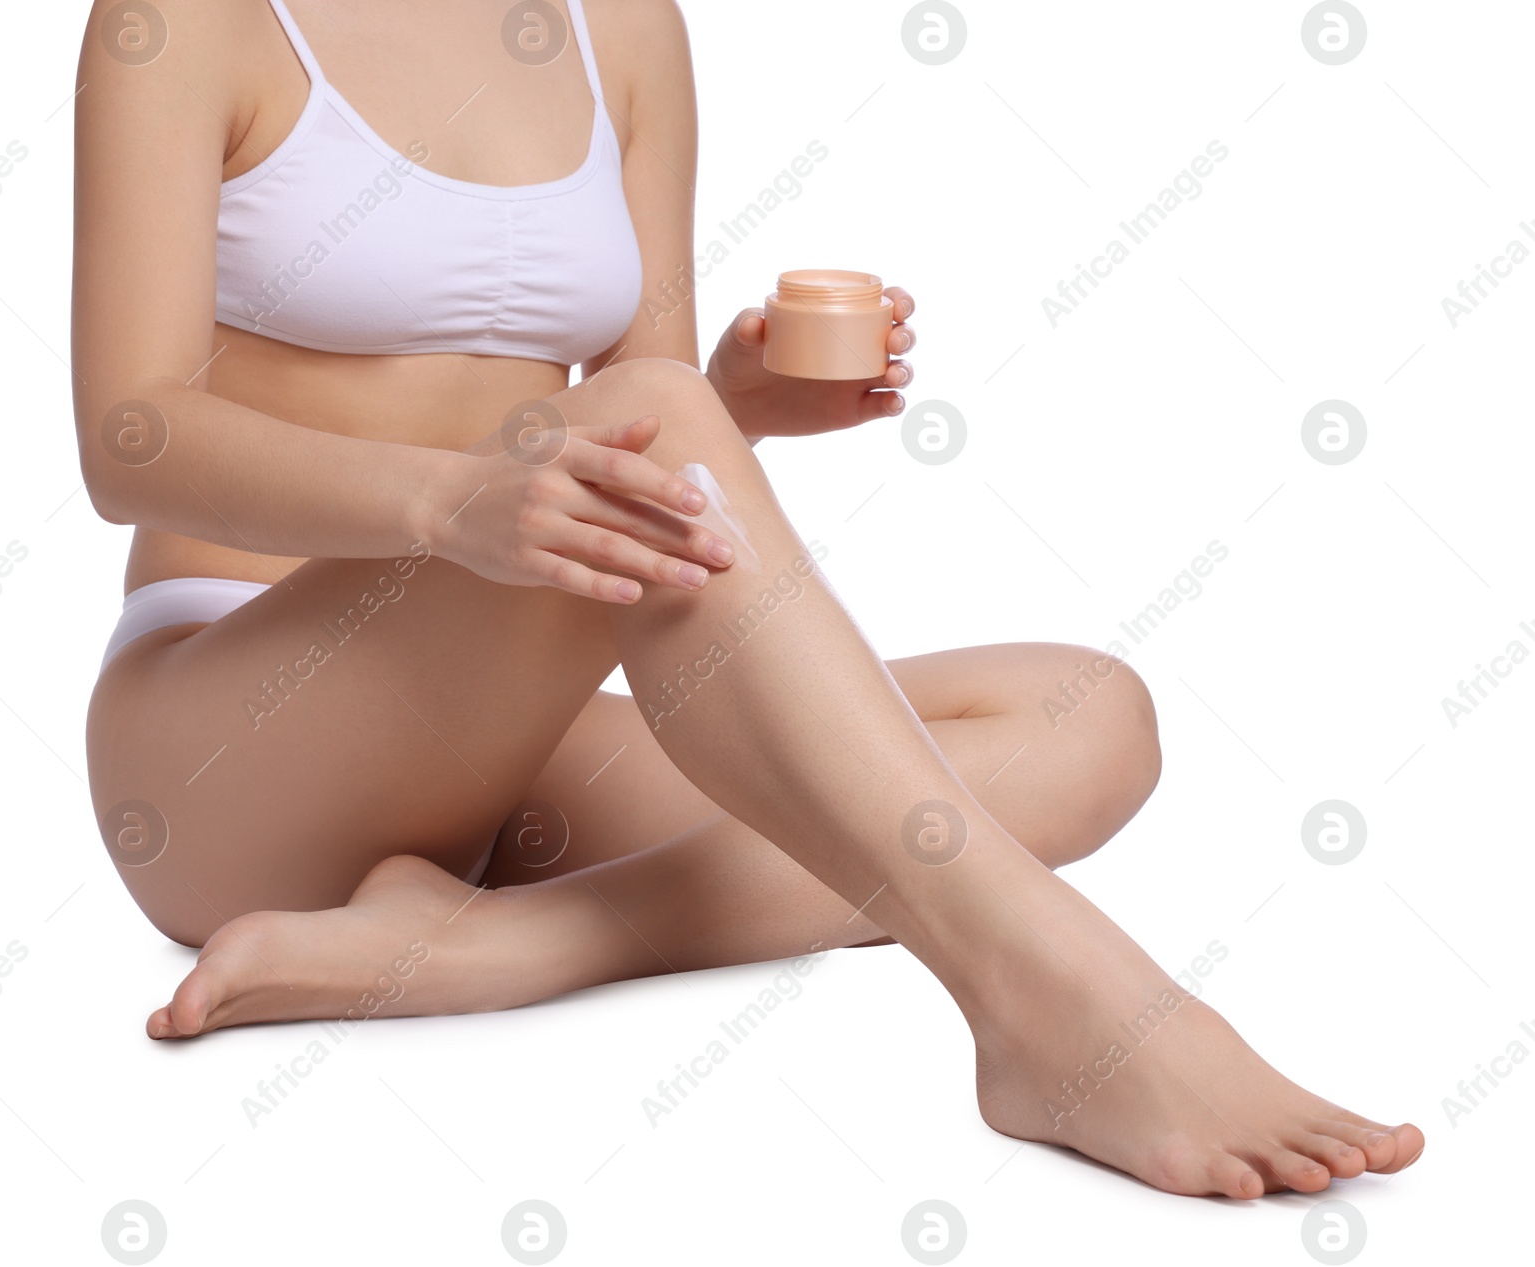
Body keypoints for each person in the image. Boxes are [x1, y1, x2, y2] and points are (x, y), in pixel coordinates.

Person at [74, 0, 1423, 1198]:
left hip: (487, 728)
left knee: (1091, 727)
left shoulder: (623, 27)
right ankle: (1061, 999)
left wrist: (741, 408)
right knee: (670, 452)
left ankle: (493, 947)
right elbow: (124, 440)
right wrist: (448, 498)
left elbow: (647, 451)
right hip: (226, 739)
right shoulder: (188, 18)